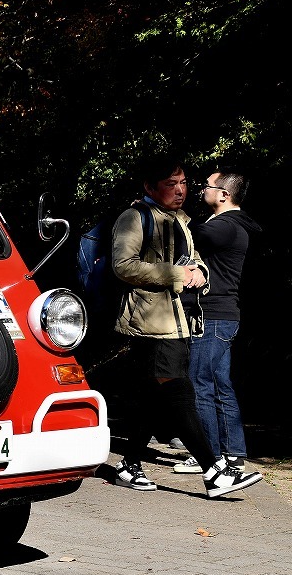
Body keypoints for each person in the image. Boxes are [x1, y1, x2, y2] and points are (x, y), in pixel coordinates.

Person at [109, 156, 261, 498]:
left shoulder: (181, 220)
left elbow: (195, 259)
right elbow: (124, 266)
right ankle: (214, 470)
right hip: (149, 320)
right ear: (150, 187)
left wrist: (201, 272)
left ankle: (129, 465)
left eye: (183, 183)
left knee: (155, 394)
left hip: (178, 319)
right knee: (180, 391)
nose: (180, 190)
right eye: (170, 184)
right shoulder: (134, 217)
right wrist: (179, 274)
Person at [173, 169, 261, 475]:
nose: (201, 190)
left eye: (207, 186)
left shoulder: (225, 225)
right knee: (220, 385)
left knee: (199, 383)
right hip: (222, 317)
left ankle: (209, 457)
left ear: (224, 194)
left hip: (211, 317)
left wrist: (167, 212)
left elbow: (191, 234)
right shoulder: (232, 224)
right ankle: (233, 454)